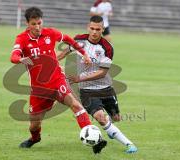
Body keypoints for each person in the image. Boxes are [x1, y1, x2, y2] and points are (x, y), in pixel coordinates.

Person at [9, 7, 107, 154]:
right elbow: (13, 56)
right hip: (39, 90)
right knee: (34, 125)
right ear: (27, 23)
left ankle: (95, 141)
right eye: (34, 24)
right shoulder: (22, 39)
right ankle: (35, 138)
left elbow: (69, 40)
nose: (37, 27)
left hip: (57, 81)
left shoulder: (50, 33)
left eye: (39, 23)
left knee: (76, 106)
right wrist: (21, 59)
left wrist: (84, 54)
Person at [58, 15, 138, 154]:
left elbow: (102, 72)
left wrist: (79, 78)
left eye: (98, 29)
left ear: (103, 29)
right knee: (101, 118)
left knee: (115, 118)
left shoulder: (107, 47)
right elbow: (64, 53)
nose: (94, 32)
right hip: (87, 91)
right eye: (92, 28)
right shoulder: (79, 40)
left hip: (105, 88)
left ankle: (110, 129)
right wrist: (48, 60)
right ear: (88, 27)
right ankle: (129, 144)